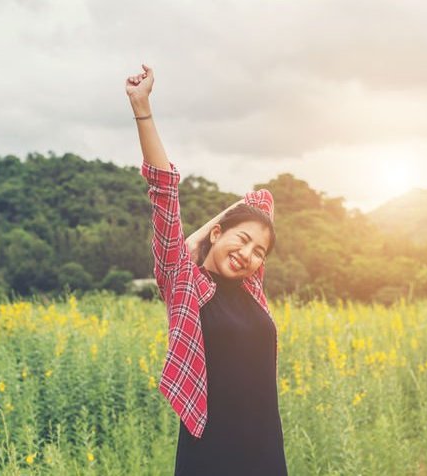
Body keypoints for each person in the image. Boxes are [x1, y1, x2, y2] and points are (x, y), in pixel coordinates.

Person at [127, 64, 288, 475]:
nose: (249, 254)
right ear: (217, 231)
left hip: (265, 449)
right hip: (213, 454)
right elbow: (164, 193)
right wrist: (142, 107)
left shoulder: (252, 288)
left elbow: (260, 197)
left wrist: (222, 233)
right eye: (241, 239)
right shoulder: (188, 285)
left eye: (259, 251)